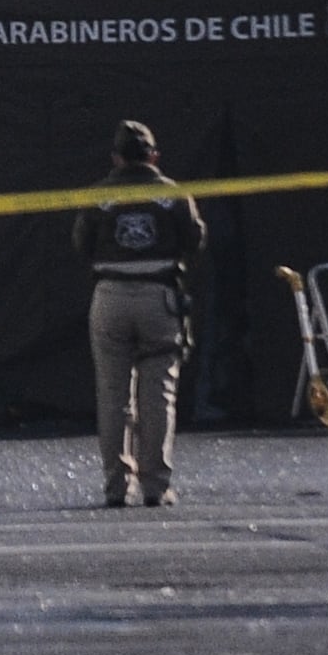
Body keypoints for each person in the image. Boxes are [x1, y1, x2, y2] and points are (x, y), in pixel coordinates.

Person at [73, 120, 206, 508]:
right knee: (159, 394)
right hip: (158, 294)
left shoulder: (97, 195)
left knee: (113, 395)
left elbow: (81, 245)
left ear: (115, 158)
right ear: (154, 156)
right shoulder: (173, 194)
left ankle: (116, 487)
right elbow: (195, 241)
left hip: (110, 294)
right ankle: (156, 486)